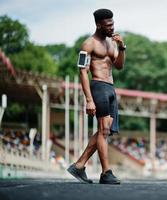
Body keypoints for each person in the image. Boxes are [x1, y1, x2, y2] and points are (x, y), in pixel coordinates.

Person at [67, 8, 126, 184]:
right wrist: (89, 99)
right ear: (98, 24)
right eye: (108, 25)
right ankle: (106, 172)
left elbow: (119, 66)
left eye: (113, 24)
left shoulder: (112, 43)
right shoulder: (88, 44)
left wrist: (122, 47)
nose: (112, 27)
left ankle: (78, 166)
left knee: (104, 131)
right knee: (103, 130)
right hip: (98, 87)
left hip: (111, 88)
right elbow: (82, 72)